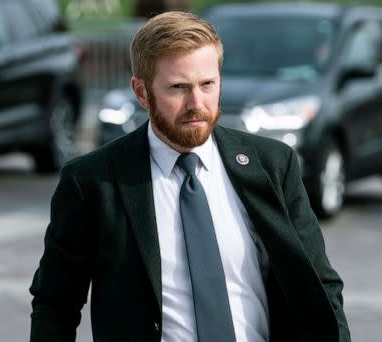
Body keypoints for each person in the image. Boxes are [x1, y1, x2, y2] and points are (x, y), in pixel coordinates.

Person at [29, 11, 350, 342]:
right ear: (141, 92)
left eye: (208, 84)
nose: (197, 103)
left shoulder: (272, 164)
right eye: (178, 88)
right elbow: (55, 304)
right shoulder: (92, 182)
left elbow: (321, 283)